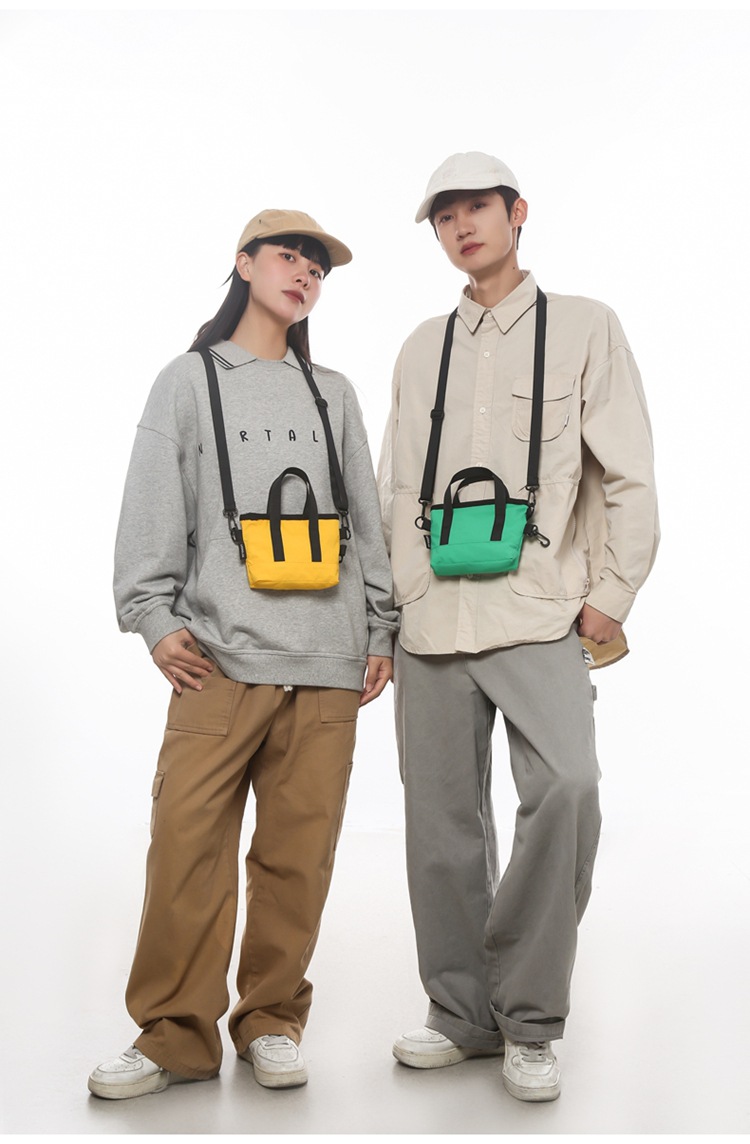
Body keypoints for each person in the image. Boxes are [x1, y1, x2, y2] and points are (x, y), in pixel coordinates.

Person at [88, 209, 398, 1100]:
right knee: (185, 850)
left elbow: (366, 518)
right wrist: (153, 619)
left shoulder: (333, 392)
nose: (304, 275)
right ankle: (174, 1035)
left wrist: (380, 629)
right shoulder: (188, 381)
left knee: (298, 860)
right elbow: (150, 506)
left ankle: (270, 1021)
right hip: (218, 662)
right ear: (245, 264)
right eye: (289, 257)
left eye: (318, 269)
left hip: (327, 664)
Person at [377, 153, 658, 1102]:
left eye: (477, 208)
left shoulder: (585, 326)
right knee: (441, 827)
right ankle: (462, 1016)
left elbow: (629, 471)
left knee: (569, 790)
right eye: (444, 215)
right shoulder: (421, 346)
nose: (462, 226)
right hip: (431, 620)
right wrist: (393, 605)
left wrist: (612, 592)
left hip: (539, 610)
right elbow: (394, 485)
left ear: (517, 212)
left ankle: (529, 1017)